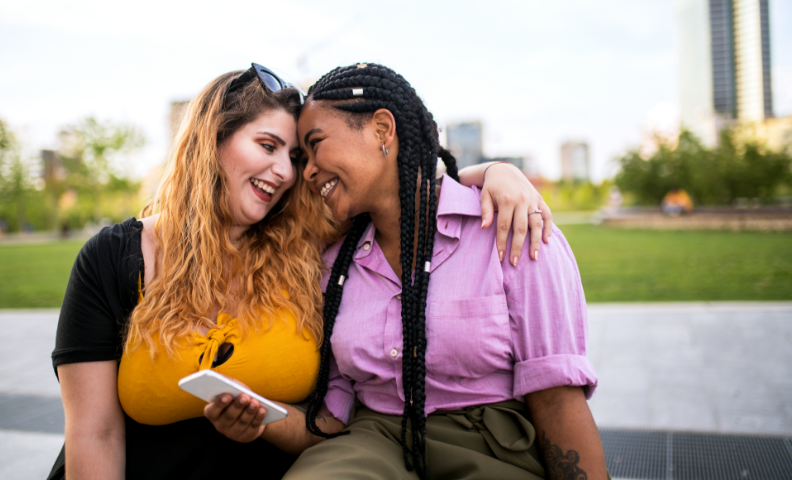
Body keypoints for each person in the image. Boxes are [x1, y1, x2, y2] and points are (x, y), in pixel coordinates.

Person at [50, 63, 553, 480]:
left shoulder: (313, 250)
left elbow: (402, 186)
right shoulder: (114, 259)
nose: (288, 173)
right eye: (268, 147)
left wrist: (496, 173)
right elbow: (94, 434)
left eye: (296, 157)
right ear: (211, 141)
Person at [204, 63, 607, 480]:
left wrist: (495, 169)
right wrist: (257, 416)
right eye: (301, 157)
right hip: (375, 440)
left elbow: (557, 400)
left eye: (315, 145)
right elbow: (332, 419)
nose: (304, 172)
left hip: (492, 446)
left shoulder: (509, 228)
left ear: (382, 130)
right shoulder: (335, 266)